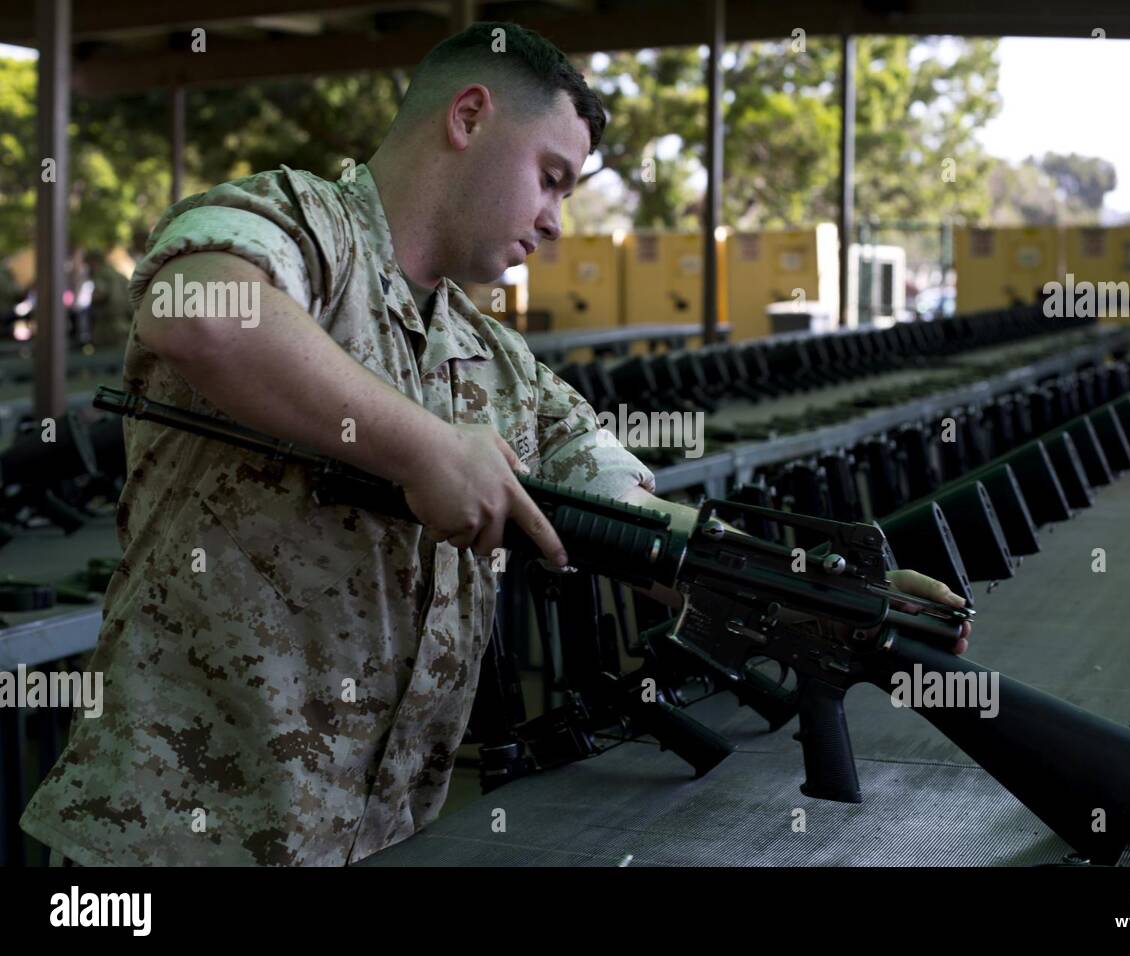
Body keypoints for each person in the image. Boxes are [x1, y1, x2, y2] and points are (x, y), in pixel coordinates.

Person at [20, 21, 969, 866]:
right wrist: (424, 448)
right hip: (175, 841)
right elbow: (197, 315)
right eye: (551, 177)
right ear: (469, 116)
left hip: (381, 835)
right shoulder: (302, 225)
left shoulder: (495, 360)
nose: (557, 221)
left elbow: (633, 520)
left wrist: (817, 588)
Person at [85, 250, 133, 348]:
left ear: (93, 262)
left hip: (108, 328)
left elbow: (100, 294)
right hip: (125, 326)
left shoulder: (102, 274)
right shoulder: (119, 275)